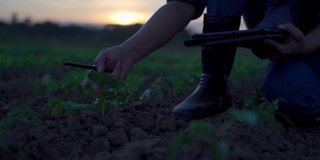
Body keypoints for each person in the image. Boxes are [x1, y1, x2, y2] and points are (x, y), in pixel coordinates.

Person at [82, 0, 320, 124]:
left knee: (294, 97)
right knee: (286, 95)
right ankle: (213, 83)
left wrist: (308, 43)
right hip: (285, 36)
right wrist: (127, 52)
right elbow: (182, 5)